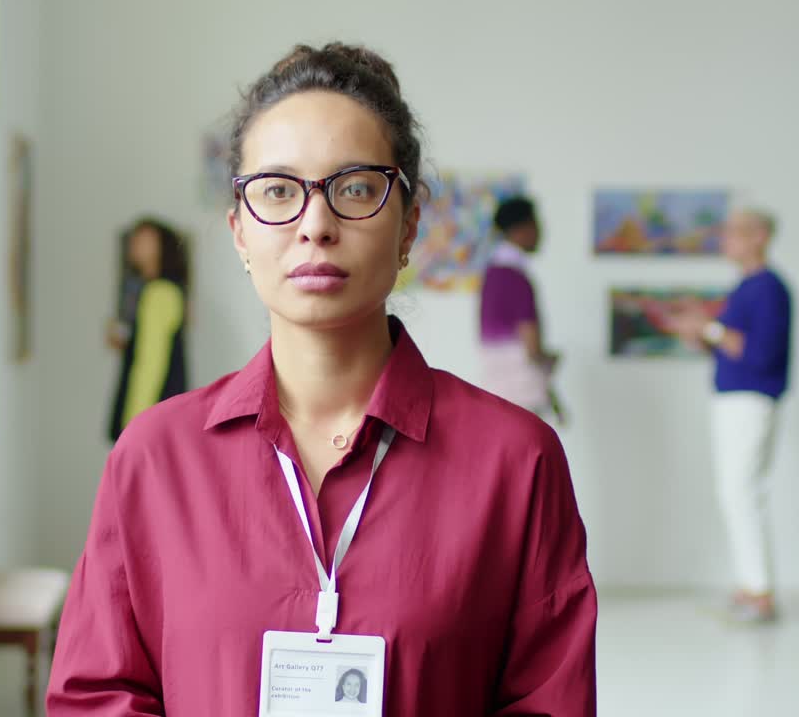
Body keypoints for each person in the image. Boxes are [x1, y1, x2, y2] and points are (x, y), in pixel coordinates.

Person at [48, 43, 596, 715]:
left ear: (408, 226)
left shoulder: (516, 460)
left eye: (356, 188)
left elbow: (549, 703)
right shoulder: (156, 456)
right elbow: (98, 695)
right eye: (278, 191)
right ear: (240, 232)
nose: (315, 225)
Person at [669, 207, 793, 623]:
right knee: (738, 492)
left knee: (741, 492)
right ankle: (750, 586)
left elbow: (760, 354)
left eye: (734, 233)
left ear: (759, 236)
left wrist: (711, 328)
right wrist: (702, 333)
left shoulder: (769, 288)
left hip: (750, 400)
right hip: (734, 399)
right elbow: (726, 344)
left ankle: (759, 593)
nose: (726, 240)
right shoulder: (745, 288)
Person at [479, 197, 565, 422]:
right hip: (521, 393)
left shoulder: (492, 274)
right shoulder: (516, 277)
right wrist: (551, 359)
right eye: (536, 225)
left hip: (494, 389)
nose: (540, 232)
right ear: (522, 229)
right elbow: (532, 347)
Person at [105, 217, 190, 441]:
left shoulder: (158, 293)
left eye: (144, 239)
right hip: (163, 418)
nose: (135, 243)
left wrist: (133, 426)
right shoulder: (158, 290)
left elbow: (150, 364)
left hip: (151, 420)